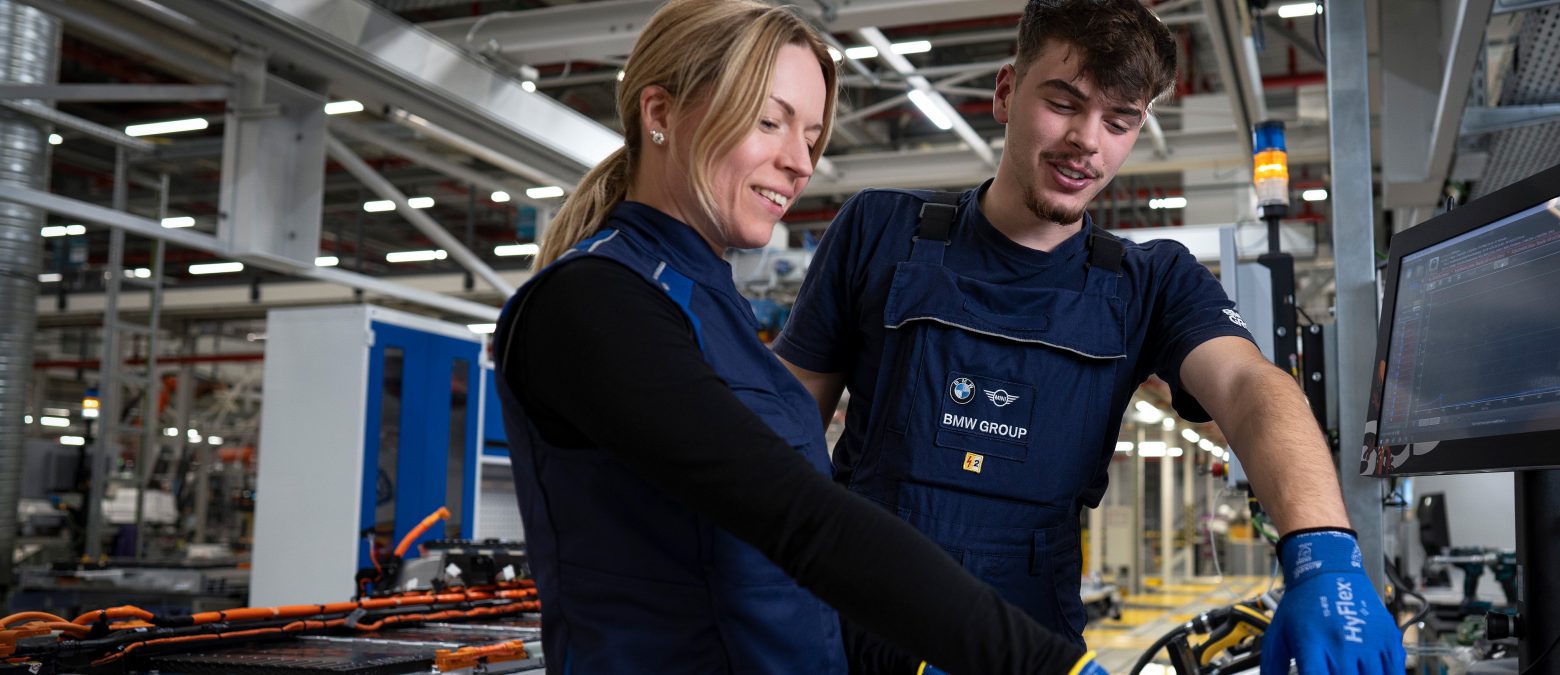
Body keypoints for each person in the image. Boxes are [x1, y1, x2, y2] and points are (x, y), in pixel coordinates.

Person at [774, 1, 1405, 673]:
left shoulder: (1150, 283)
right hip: (848, 648)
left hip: (1036, 658)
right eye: (1064, 102)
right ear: (1006, 91)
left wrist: (1325, 552)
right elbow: (779, 434)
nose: (1088, 141)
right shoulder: (879, 231)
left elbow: (1253, 389)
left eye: (1120, 120)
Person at [493, 1, 1109, 672]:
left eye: (811, 135)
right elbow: (801, 521)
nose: (799, 162)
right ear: (660, 114)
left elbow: (784, 587)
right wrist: (1043, 665)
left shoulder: (714, 307)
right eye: (769, 122)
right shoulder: (593, 304)